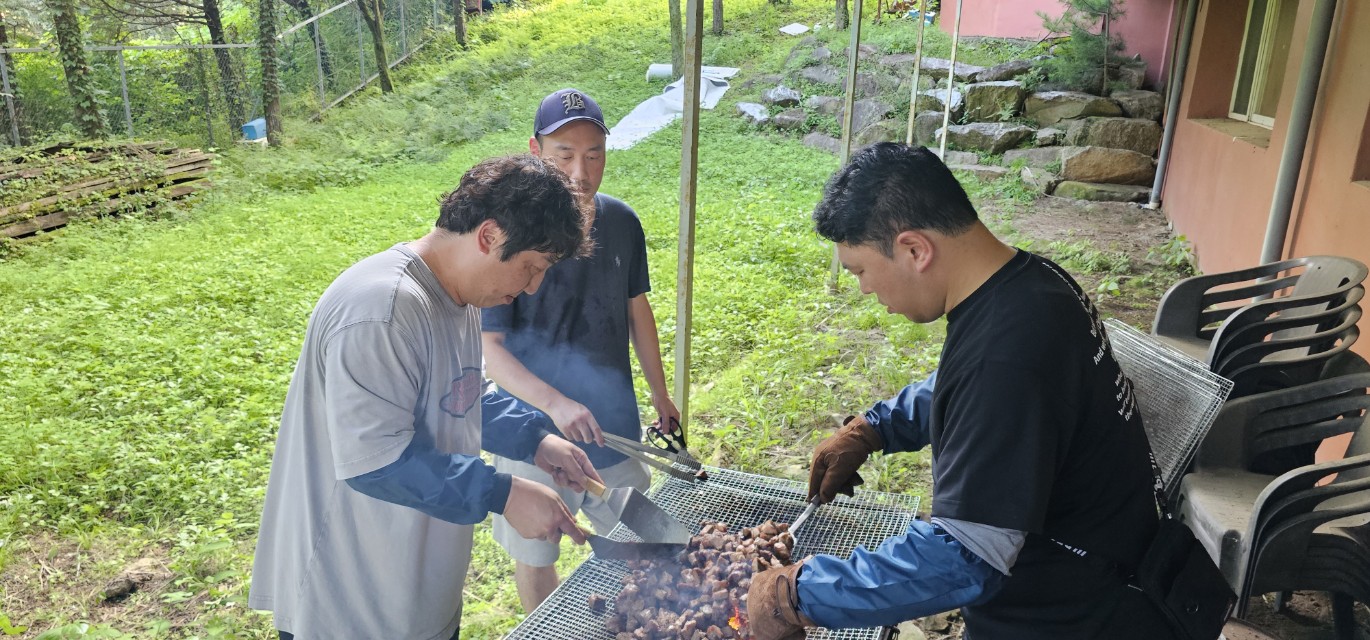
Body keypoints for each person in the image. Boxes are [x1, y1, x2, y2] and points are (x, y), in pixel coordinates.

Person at [746, 143, 1173, 640]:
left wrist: (797, 594)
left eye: (860, 270)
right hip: (1097, 569)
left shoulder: (1008, 353)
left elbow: (965, 556)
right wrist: (875, 428)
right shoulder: (1031, 284)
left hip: (1066, 615)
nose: (863, 289)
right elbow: (969, 387)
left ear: (914, 249)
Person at [248, 154, 603, 640]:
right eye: (532, 267)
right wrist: (502, 492)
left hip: (413, 593)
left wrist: (535, 439)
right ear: (489, 236)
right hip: (350, 603)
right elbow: (375, 462)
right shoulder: (383, 308)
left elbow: (460, 394)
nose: (533, 287)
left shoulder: (459, 297)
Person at [481, 87, 681, 612]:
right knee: (537, 552)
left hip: (611, 424)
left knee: (644, 542)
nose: (580, 172)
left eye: (594, 154)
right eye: (564, 155)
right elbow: (492, 350)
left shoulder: (623, 222)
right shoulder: (508, 233)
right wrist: (555, 404)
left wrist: (662, 396)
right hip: (529, 430)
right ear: (535, 152)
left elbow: (638, 310)